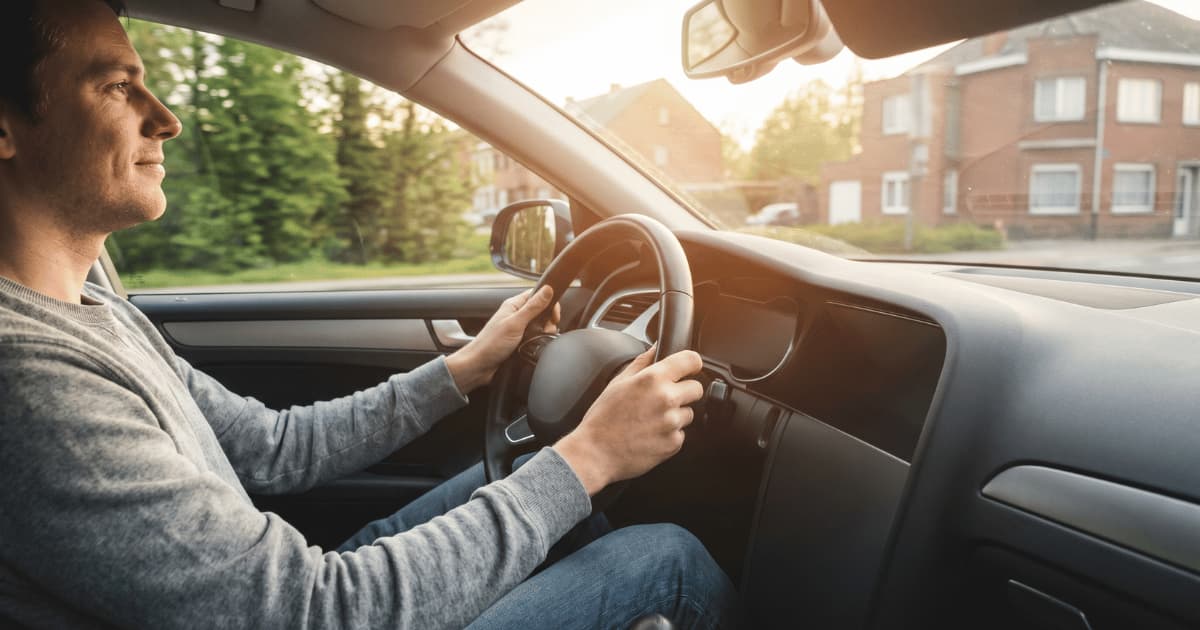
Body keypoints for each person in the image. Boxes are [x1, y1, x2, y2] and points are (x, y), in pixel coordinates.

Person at [0, 0, 742, 628]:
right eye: (116, 86)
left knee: (565, 502)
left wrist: (464, 369)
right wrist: (591, 455)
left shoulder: (97, 313)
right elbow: (316, 609)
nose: (165, 119)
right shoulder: (27, 378)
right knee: (664, 560)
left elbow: (269, 447)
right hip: (309, 608)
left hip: (294, 597)